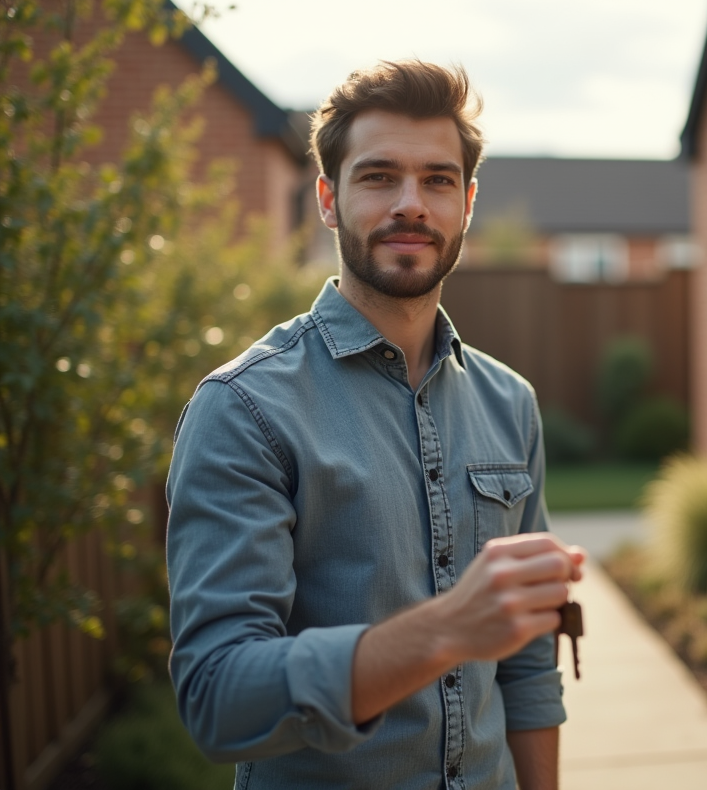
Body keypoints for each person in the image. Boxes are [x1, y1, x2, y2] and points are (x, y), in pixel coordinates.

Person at [165, 59, 585, 790]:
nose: (411, 204)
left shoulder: (509, 402)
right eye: (379, 176)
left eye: (438, 180)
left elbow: (525, 662)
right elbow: (217, 699)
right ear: (328, 199)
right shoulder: (245, 409)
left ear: (468, 202)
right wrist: (447, 628)